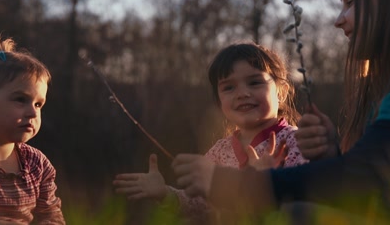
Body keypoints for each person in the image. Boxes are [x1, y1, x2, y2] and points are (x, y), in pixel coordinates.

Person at [171, 0, 390, 222]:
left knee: (294, 214)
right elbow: (374, 184)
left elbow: (364, 175)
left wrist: (238, 185)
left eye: (351, 3)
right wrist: (332, 154)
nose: (339, 20)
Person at [113, 42, 308, 223]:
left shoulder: (297, 142)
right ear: (219, 101)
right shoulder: (219, 151)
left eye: (255, 82)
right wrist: (166, 194)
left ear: (281, 91)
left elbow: (306, 202)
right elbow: (200, 206)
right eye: (229, 87)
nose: (242, 93)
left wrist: (264, 183)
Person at [0, 37, 65, 224]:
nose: (32, 112)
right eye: (20, 99)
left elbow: (51, 215)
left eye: (38, 104)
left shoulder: (38, 165)